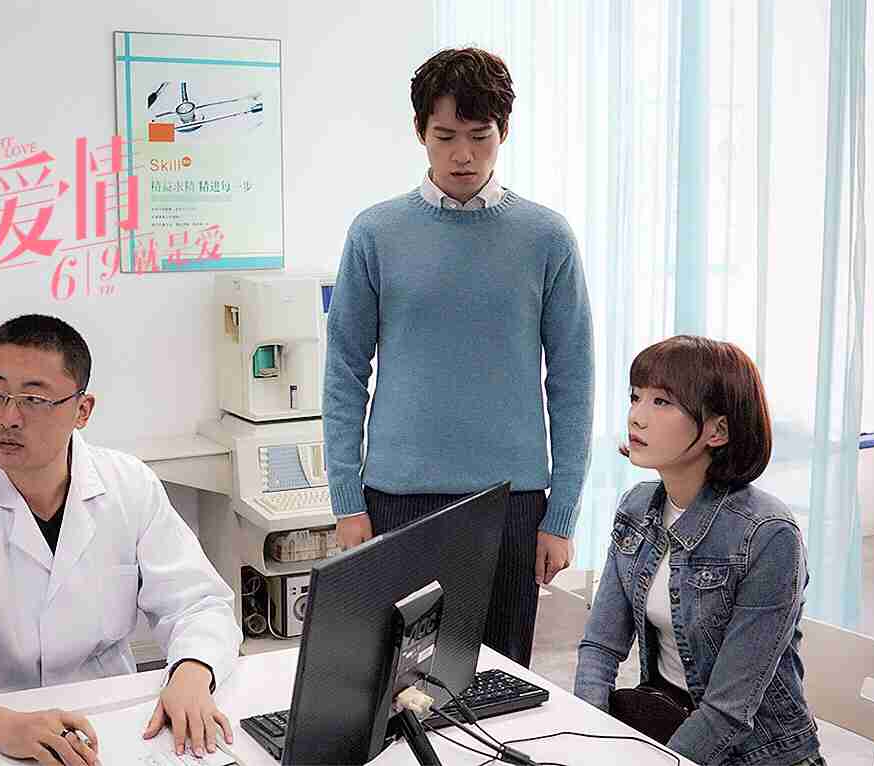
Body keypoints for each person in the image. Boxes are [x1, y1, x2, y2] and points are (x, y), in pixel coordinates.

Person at [0, 315, 241, 764]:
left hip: (113, 723)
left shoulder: (129, 486)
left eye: (33, 399)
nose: (8, 418)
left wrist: (192, 672)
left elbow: (200, 604)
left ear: (82, 411)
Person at [323, 47, 594, 668]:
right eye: (445, 137)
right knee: (392, 684)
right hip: (396, 499)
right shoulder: (375, 233)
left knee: (499, 681)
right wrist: (347, 502)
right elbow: (343, 373)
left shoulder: (547, 237)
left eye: (480, 136)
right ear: (420, 131)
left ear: (505, 131)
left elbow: (573, 383)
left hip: (511, 502)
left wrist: (560, 515)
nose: (463, 155)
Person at [574, 336, 825, 766]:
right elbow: (599, 646)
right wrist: (588, 737)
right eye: (636, 397)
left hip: (757, 756)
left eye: (662, 402)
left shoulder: (767, 535)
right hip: (666, 729)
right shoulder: (636, 508)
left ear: (717, 431)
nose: (636, 416)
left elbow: (728, 711)